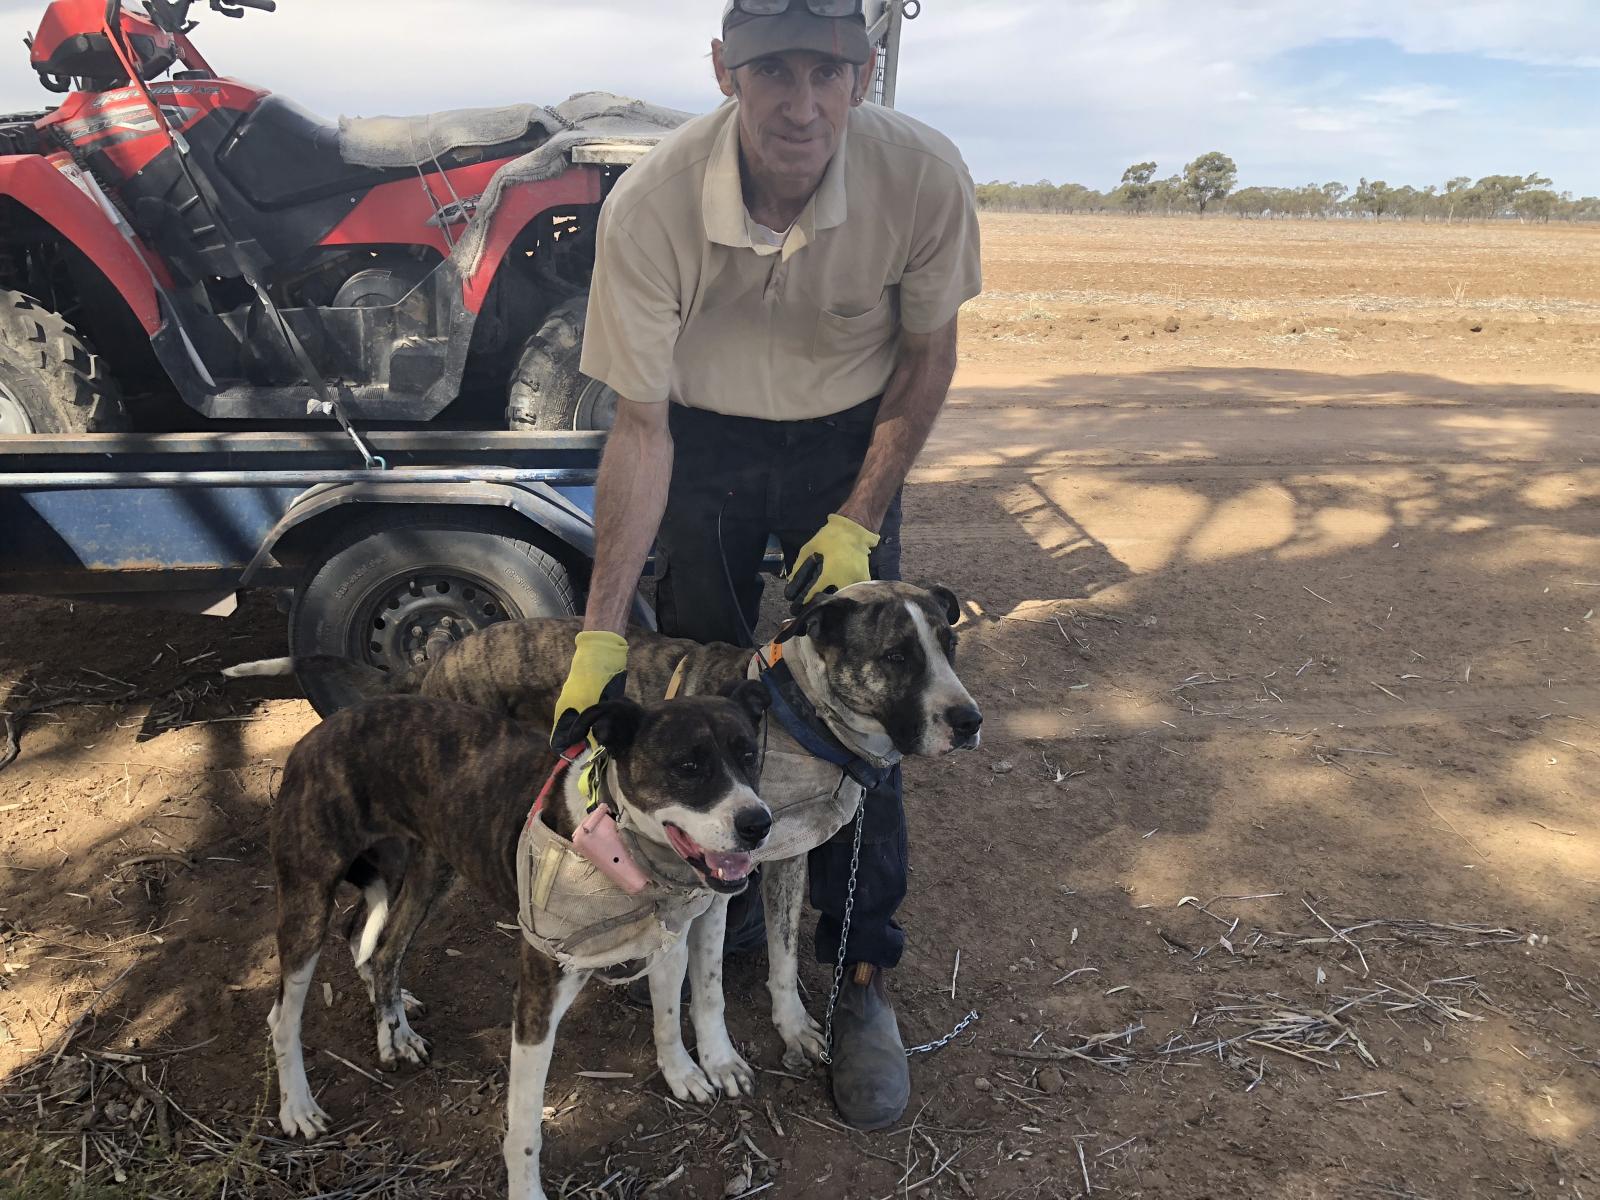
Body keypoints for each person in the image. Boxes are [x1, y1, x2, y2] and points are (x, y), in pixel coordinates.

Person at [550, 0, 980, 1131]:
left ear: (864, 70)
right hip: (709, 441)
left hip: (850, 433)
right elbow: (638, 429)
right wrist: (601, 629)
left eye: (828, 72)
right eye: (772, 72)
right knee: (702, 691)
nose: (801, 103)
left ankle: (861, 976)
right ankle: (718, 912)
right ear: (722, 70)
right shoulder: (650, 207)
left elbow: (929, 354)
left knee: (867, 725)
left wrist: (860, 512)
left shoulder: (923, 173)